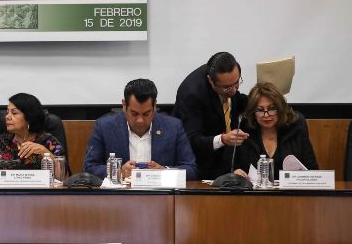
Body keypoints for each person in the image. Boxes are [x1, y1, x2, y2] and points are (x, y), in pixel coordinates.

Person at [84, 79, 198, 180]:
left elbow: (191, 169)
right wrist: (119, 172)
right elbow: (89, 167)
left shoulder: (173, 127)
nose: (140, 120)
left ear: (154, 106)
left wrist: (164, 171)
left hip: (160, 195)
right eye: (134, 114)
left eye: (146, 114)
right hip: (120, 195)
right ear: (124, 105)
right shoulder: (104, 127)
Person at [173, 52, 250, 180]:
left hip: (224, 160)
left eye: (236, 83)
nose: (234, 90)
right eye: (226, 87)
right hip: (198, 164)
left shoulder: (225, 79)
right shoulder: (191, 94)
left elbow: (236, 98)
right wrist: (223, 139)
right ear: (210, 80)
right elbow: (192, 140)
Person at [233, 82, 318, 177]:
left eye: (272, 109)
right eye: (260, 110)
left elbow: (312, 169)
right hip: (253, 186)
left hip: (290, 186)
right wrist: (235, 172)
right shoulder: (244, 129)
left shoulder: (296, 126)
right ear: (253, 112)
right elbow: (231, 166)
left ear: (280, 108)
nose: (266, 115)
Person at [0, 93, 64, 180]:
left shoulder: (49, 142)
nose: (7, 117)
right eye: (7, 112)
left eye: (14, 113)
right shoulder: (0, 143)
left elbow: (64, 178)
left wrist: (44, 152)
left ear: (29, 117)